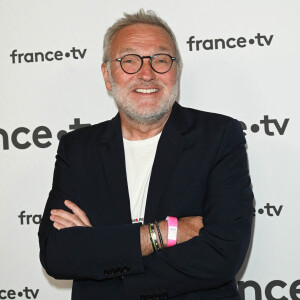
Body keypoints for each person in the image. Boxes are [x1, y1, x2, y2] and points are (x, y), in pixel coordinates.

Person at [38, 9, 253, 300]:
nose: (147, 73)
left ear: (176, 70)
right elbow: (57, 254)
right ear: (107, 74)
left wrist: (103, 256)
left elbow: (222, 256)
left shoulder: (218, 136)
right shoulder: (78, 149)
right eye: (129, 61)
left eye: (161, 60)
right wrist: (163, 232)